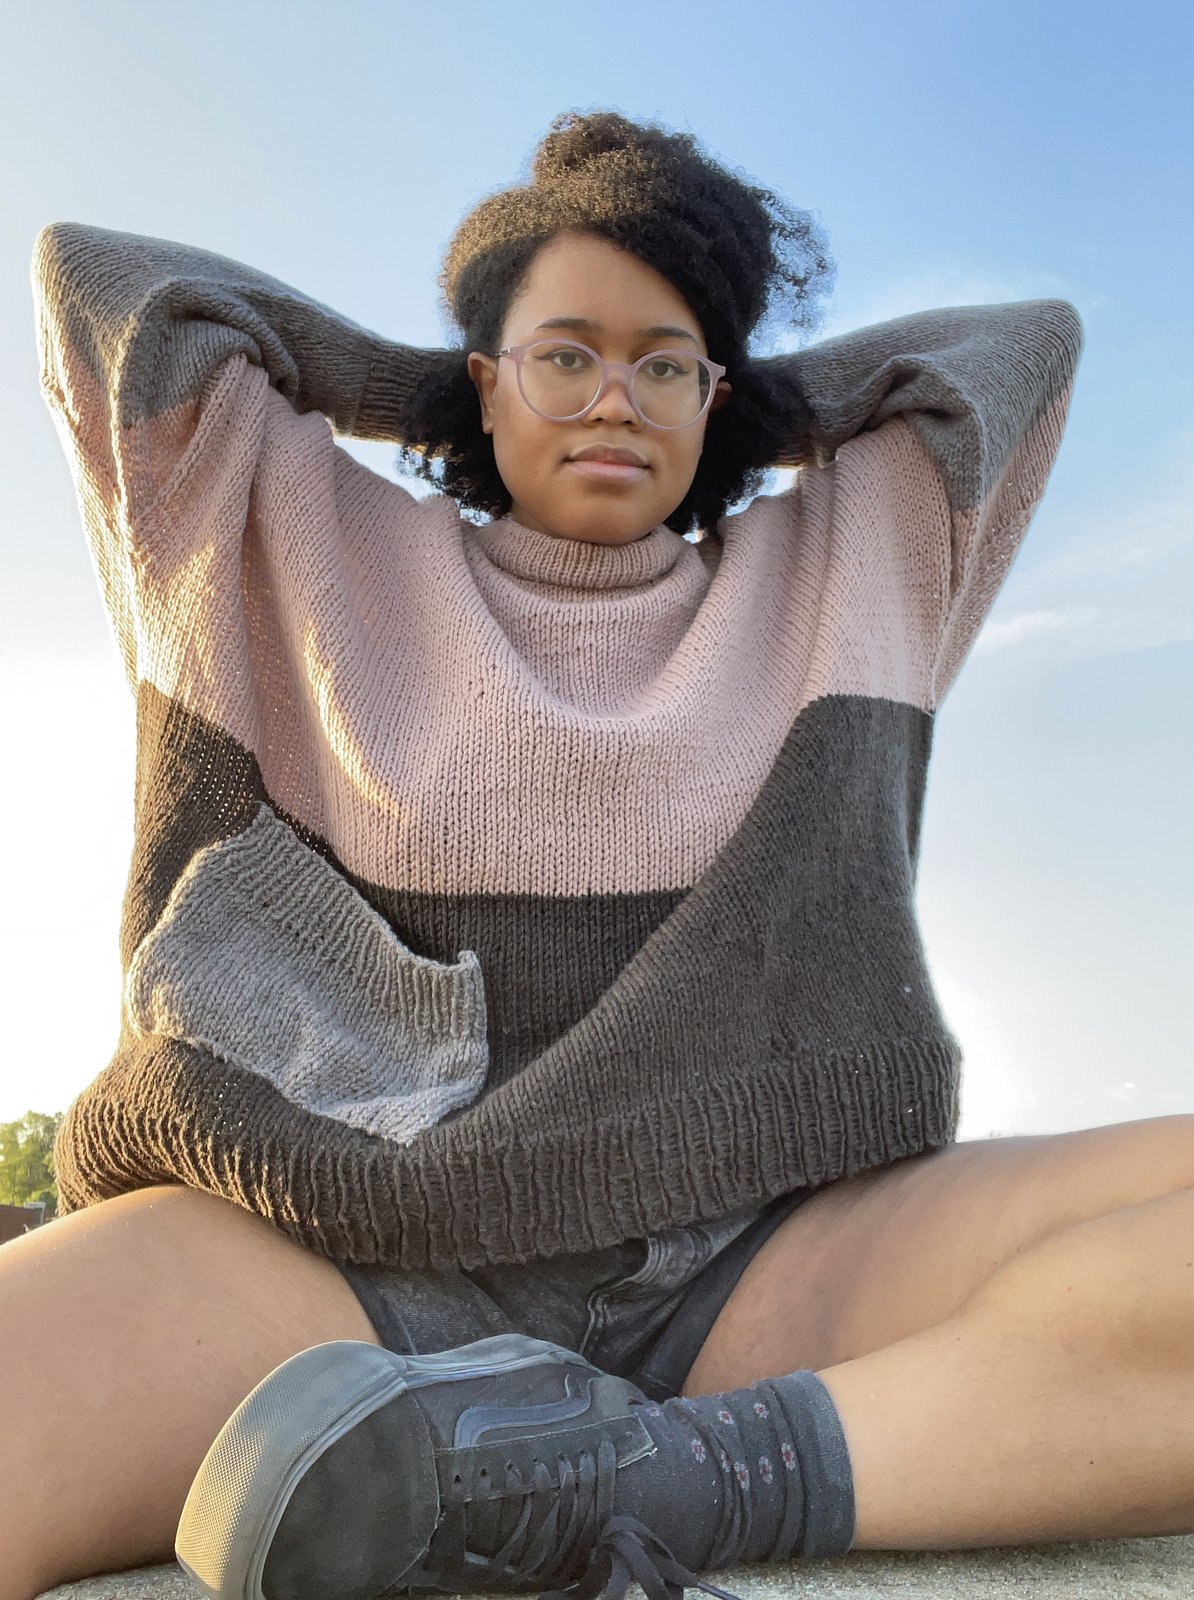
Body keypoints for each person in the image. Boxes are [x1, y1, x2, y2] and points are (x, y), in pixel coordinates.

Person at [13, 108, 1193, 1600]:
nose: (614, 401)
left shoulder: (847, 578)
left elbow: (1018, 347)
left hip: (752, 1263)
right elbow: (103, 285)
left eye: (664, 366)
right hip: (334, 1256)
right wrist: (433, 388)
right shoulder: (285, 536)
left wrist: (723, 397)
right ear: (482, 382)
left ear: (718, 399)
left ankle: (667, 1476)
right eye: (565, 356)